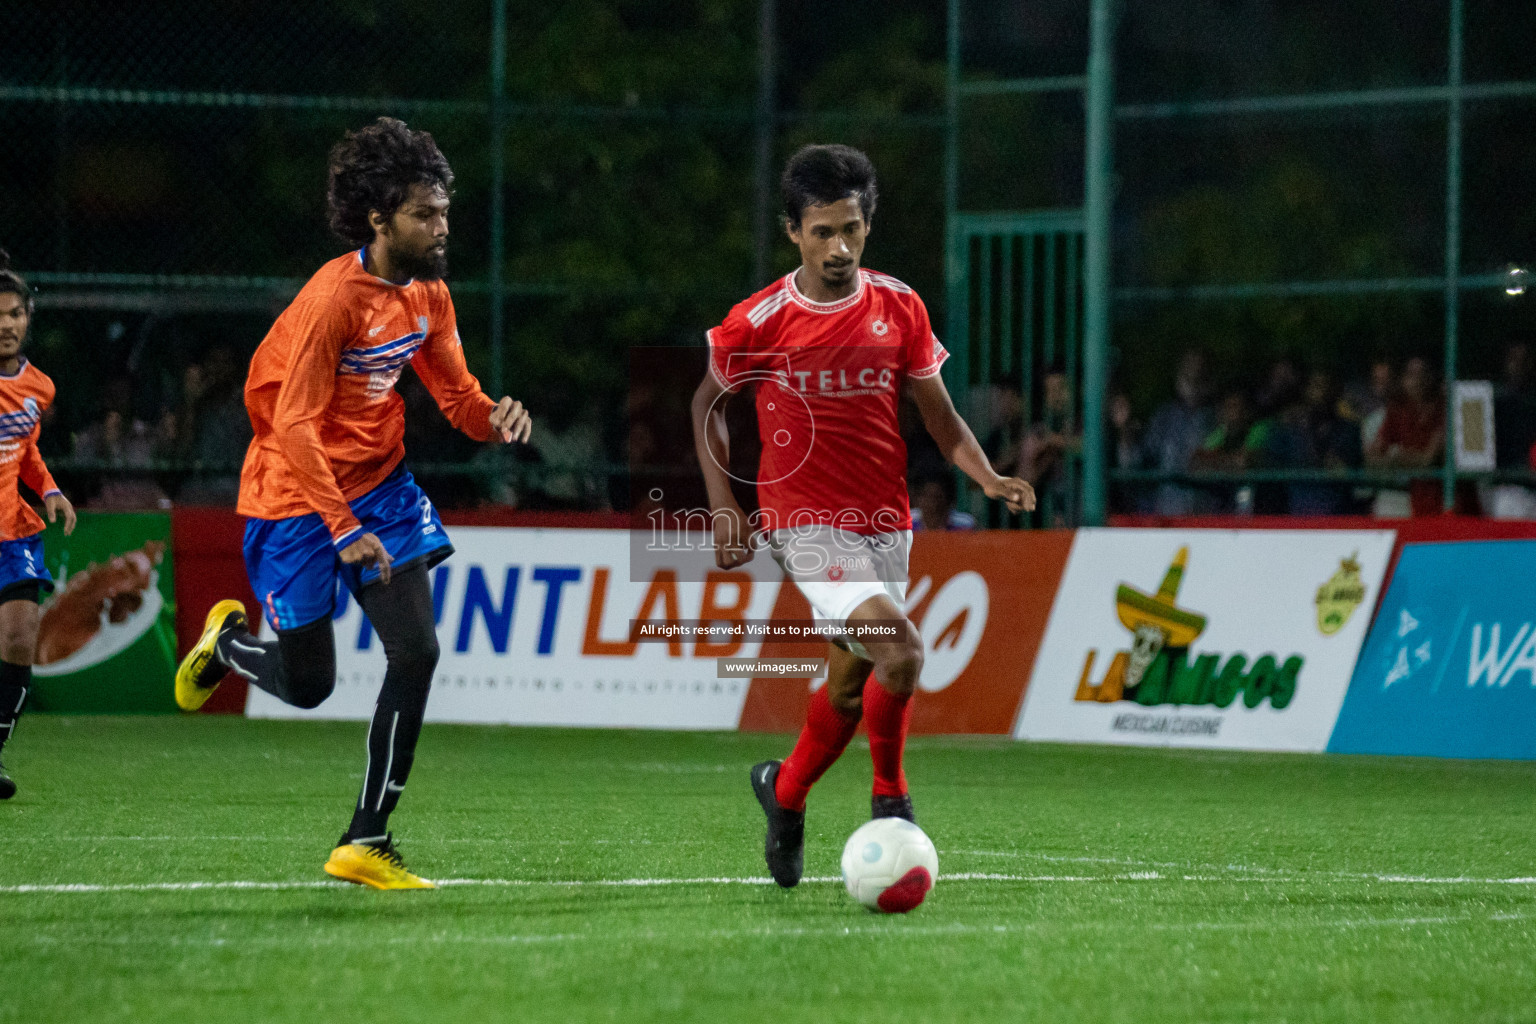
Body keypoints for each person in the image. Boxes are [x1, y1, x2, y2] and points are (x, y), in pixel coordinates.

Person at [172, 118, 532, 888]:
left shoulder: (429, 294)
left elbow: (457, 397)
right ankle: (227, 646)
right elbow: (292, 424)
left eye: (443, 212)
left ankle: (366, 837)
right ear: (379, 219)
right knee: (310, 687)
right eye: (423, 216)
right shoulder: (333, 300)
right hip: (295, 494)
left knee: (418, 651)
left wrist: (492, 417)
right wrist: (341, 530)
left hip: (381, 484)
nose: (440, 228)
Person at [690, 145, 1033, 888]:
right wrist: (725, 508)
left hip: (885, 521)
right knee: (902, 651)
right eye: (822, 232)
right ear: (793, 232)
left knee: (850, 686)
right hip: (803, 524)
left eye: (851, 229)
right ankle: (892, 801)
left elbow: (940, 421)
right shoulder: (763, 318)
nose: (838, 247)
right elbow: (706, 406)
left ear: (867, 226)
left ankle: (782, 794)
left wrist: (989, 476)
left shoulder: (900, 306)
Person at [0, 250, 78, 799]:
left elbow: (24, 448)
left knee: (20, 639)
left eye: (15, 314)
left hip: (14, 530)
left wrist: (49, 488)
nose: (6, 324)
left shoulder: (40, 387)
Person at [1141, 349, 1214, 515]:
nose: (1194, 378)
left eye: (1200, 373)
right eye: (1188, 371)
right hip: (1167, 515)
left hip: (1208, 517)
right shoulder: (1163, 417)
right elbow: (1143, 459)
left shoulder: (1217, 418)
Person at [910, 471, 976, 531]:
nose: (932, 504)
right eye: (927, 496)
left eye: (937, 497)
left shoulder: (964, 525)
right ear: (917, 499)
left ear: (948, 500)